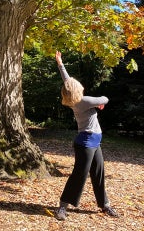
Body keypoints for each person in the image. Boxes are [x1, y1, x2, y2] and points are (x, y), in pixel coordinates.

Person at [55, 51, 118, 220]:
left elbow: (67, 81)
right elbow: (105, 99)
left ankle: (105, 205)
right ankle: (62, 207)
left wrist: (60, 64)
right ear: (77, 90)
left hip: (94, 142)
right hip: (86, 143)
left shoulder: (74, 99)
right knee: (79, 175)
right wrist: (99, 104)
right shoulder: (85, 101)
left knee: (98, 172)